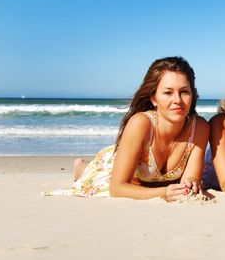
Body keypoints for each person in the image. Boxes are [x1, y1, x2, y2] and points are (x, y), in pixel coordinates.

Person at [71, 57, 209, 201]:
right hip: (113, 167)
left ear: (192, 95)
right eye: (168, 92)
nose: (177, 100)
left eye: (184, 92)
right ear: (153, 99)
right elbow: (117, 188)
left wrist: (192, 182)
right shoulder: (140, 123)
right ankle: (80, 165)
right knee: (89, 175)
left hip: (154, 183)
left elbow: (190, 177)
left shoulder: (199, 128)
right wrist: (163, 193)